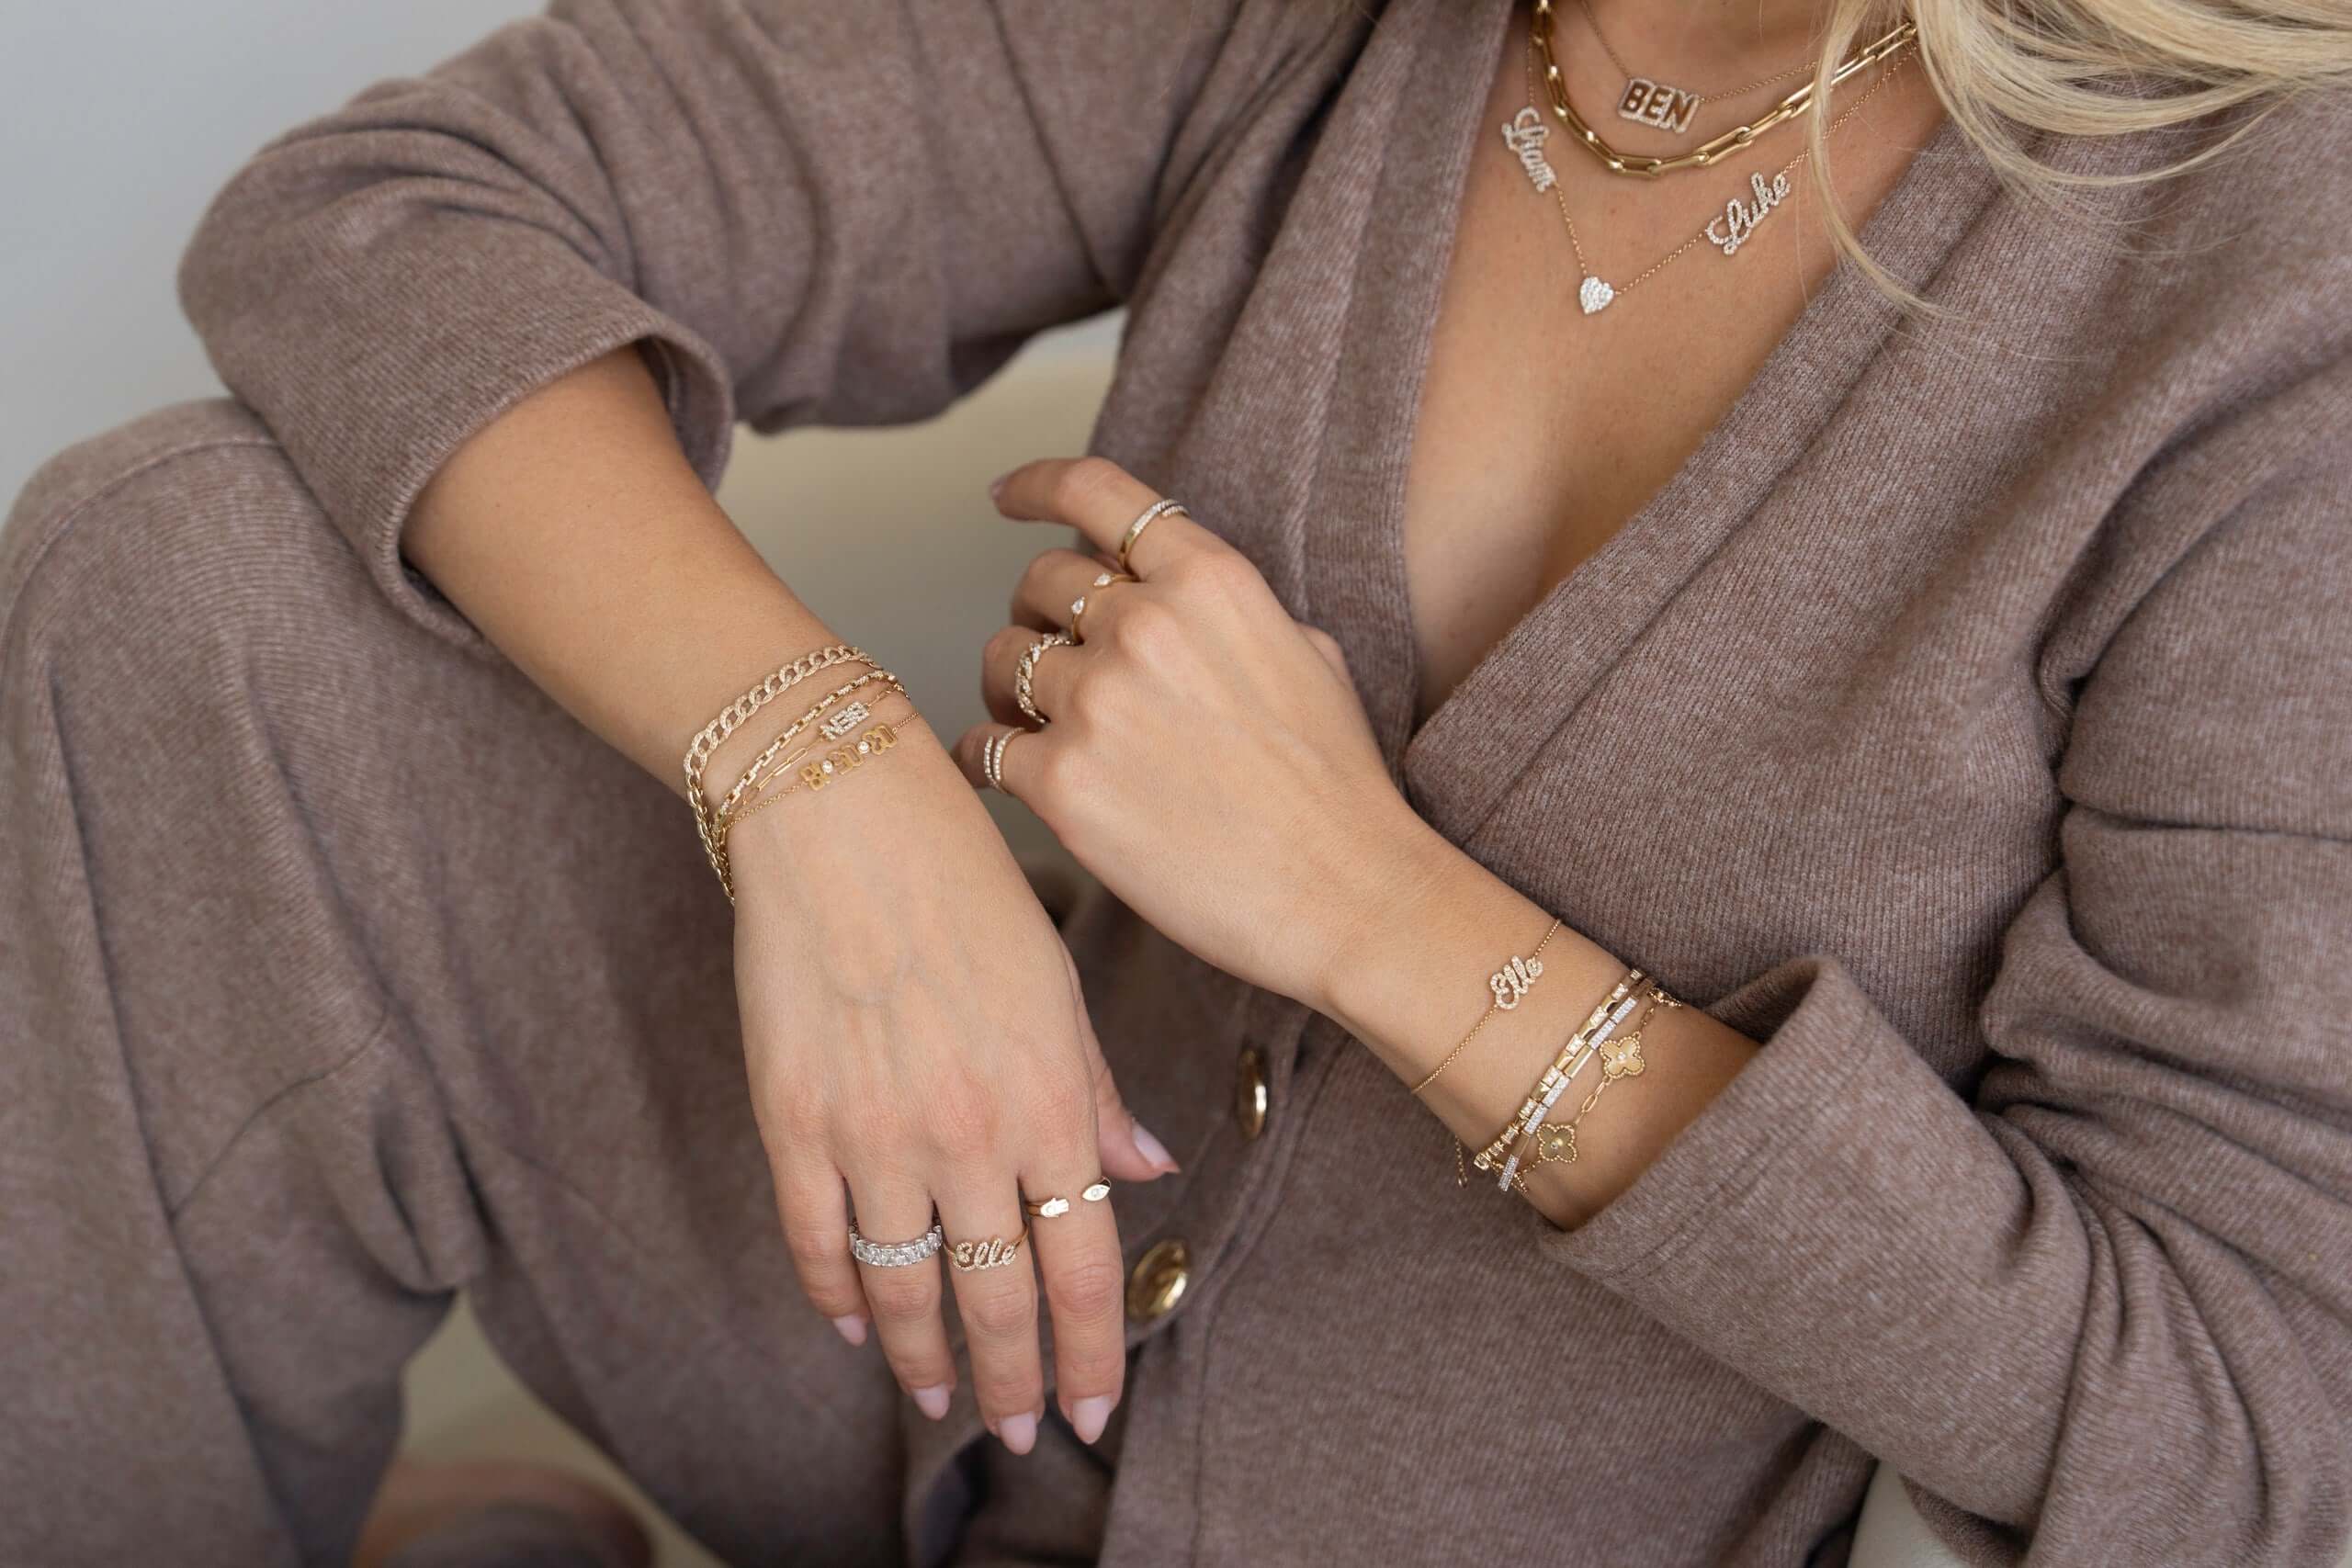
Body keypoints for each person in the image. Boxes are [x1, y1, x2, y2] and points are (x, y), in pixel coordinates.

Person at [5, 0, 2349, 1562]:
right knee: (180, 581)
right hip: (933, 1324)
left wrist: (1373, 910)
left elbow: (2231, 1433)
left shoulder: (2267, 269)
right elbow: (385, 211)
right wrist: (822, 777)